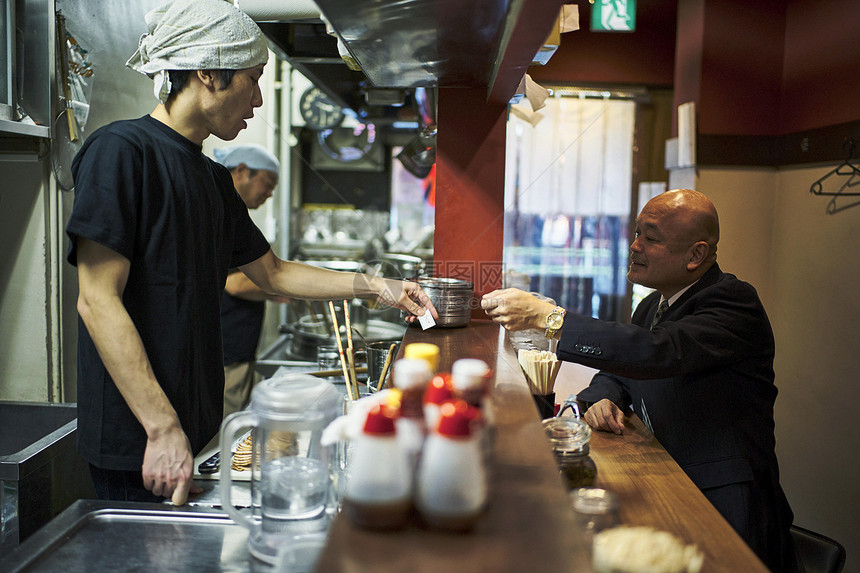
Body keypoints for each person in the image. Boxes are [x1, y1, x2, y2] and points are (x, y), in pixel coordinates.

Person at [65, 0, 436, 506]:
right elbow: (97, 300)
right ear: (208, 72)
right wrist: (161, 428)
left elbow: (274, 273)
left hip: (189, 433)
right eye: (253, 79)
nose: (258, 100)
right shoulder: (122, 151)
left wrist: (378, 286)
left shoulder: (214, 179)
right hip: (140, 442)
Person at [481, 189, 795, 572]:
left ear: (695, 255)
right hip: (664, 475)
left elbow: (659, 351)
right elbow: (621, 369)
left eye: (651, 237)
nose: (634, 246)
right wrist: (601, 395)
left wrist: (551, 317)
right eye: (636, 234)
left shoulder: (733, 302)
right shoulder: (652, 303)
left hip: (722, 499)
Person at [212, 144, 285, 418]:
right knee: (220, 440)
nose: (269, 194)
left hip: (237, 349)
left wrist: (270, 287)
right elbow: (234, 284)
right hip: (225, 353)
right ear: (241, 171)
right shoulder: (219, 214)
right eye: (267, 184)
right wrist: (276, 285)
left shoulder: (235, 216)